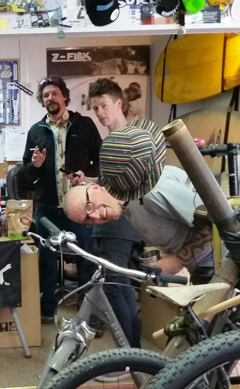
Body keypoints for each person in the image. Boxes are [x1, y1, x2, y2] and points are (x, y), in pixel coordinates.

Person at [63, 78, 212, 276]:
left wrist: (177, 260)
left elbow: (223, 226)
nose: (96, 216)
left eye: (104, 105)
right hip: (198, 266)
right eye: (88, 220)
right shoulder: (127, 203)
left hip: (224, 262)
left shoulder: (153, 193)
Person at [21, 76, 102, 323]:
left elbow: (100, 160)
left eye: (54, 93)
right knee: (46, 259)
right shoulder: (36, 130)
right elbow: (26, 170)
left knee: (86, 257)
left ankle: (87, 313)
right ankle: (47, 309)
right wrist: (35, 166)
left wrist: (87, 177)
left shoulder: (85, 125)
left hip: (80, 204)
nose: (50, 98)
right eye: (46, 95)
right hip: (47, 206)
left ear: (65, 96)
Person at [86, 78, 145, 348]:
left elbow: (135, 187)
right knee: (120, 287)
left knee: (114, 287)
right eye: (95, 108)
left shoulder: (130, 139)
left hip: (121, 225)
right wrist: (88, 183)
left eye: (103, 106)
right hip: (112, 224)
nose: (99, 113)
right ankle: (134, 357)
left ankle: (129, 358)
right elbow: (115, 184)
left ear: (118, 103)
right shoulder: (113, 140)